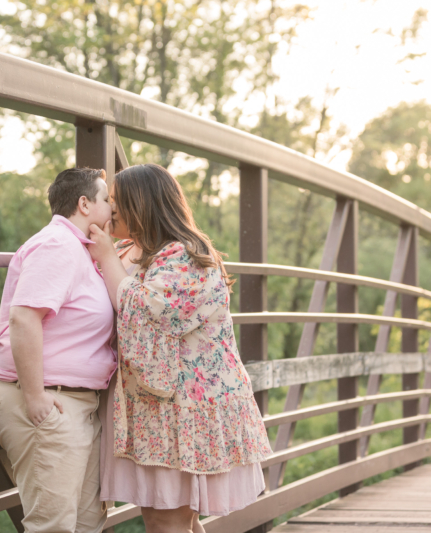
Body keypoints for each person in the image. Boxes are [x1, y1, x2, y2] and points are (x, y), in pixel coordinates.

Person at [89, 164, 272, 533]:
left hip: (186, 408)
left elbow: (147, 313)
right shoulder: (131, 249)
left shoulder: (186, 255)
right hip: (152, 408)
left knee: (166, 520)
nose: (110, 209)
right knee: (170, 519)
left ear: (142, 205)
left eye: (116, 201)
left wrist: (107, 257)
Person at [0, 167, 116, 533]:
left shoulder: (79, 250)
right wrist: (36, 396)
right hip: (48, 401)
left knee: (89, 521)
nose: (112, 208)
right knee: (54, 526)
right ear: (84, 203)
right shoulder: (57, 246)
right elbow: (24, 318)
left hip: (78, 403)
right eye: (106, 200)